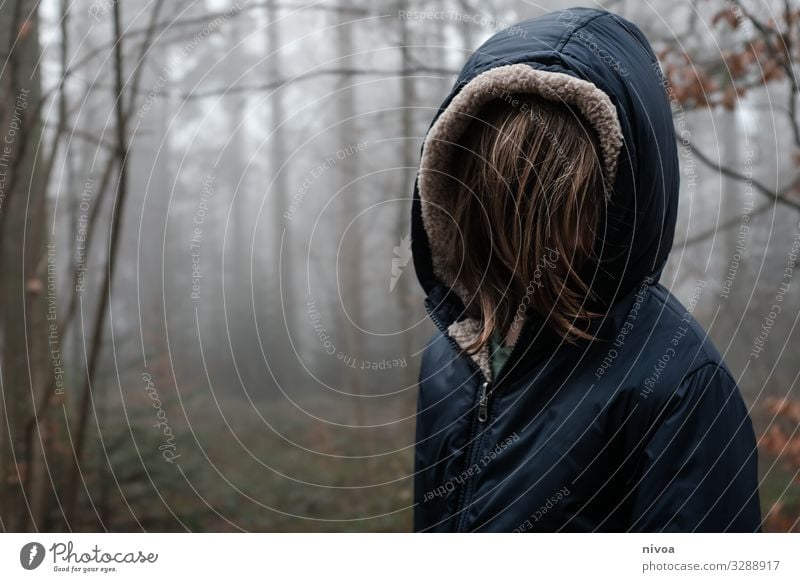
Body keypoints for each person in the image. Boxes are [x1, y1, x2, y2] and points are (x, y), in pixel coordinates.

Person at [410, 7, 762, 532]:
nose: (521, 239)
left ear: (619, 202)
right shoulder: (451, 357)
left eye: (552, 208)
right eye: (492, 202)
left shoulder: (677, 387)